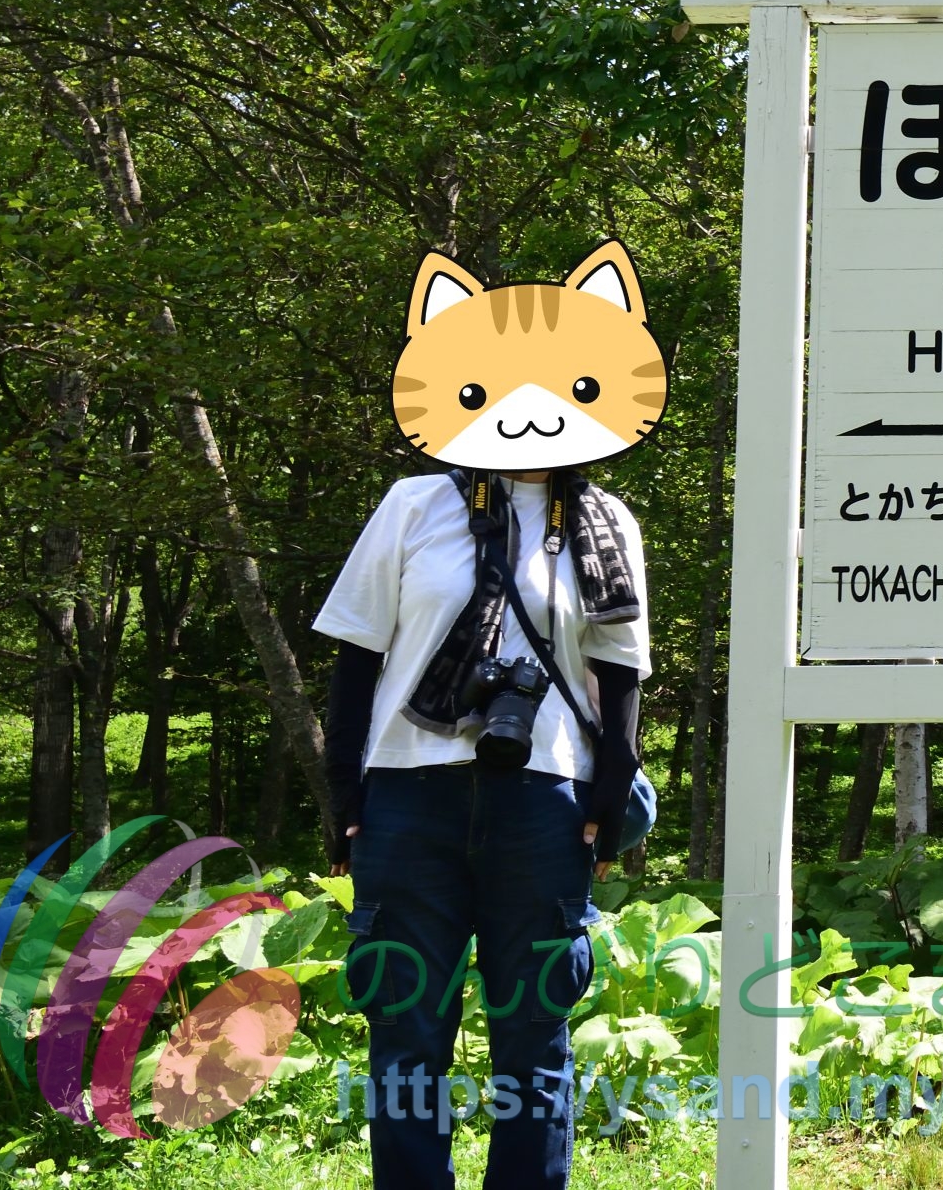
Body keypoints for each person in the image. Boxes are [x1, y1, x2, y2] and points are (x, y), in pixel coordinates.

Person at [317, 242, 664, 1190]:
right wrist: (346, 802)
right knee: (405, 1038)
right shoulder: (412, 505)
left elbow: (620, 674)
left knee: (534, 1041)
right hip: (408, 799)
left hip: (543, 805)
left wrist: (604, 804)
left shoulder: (607, 521)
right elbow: (356, 659)